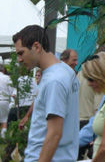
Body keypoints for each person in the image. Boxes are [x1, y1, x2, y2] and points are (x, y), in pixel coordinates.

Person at [12, 24, 79, 162]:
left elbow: (54, 134)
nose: (19, 59)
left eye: (21, 53)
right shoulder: (66, 72)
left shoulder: (54, 80)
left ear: (37, 47)